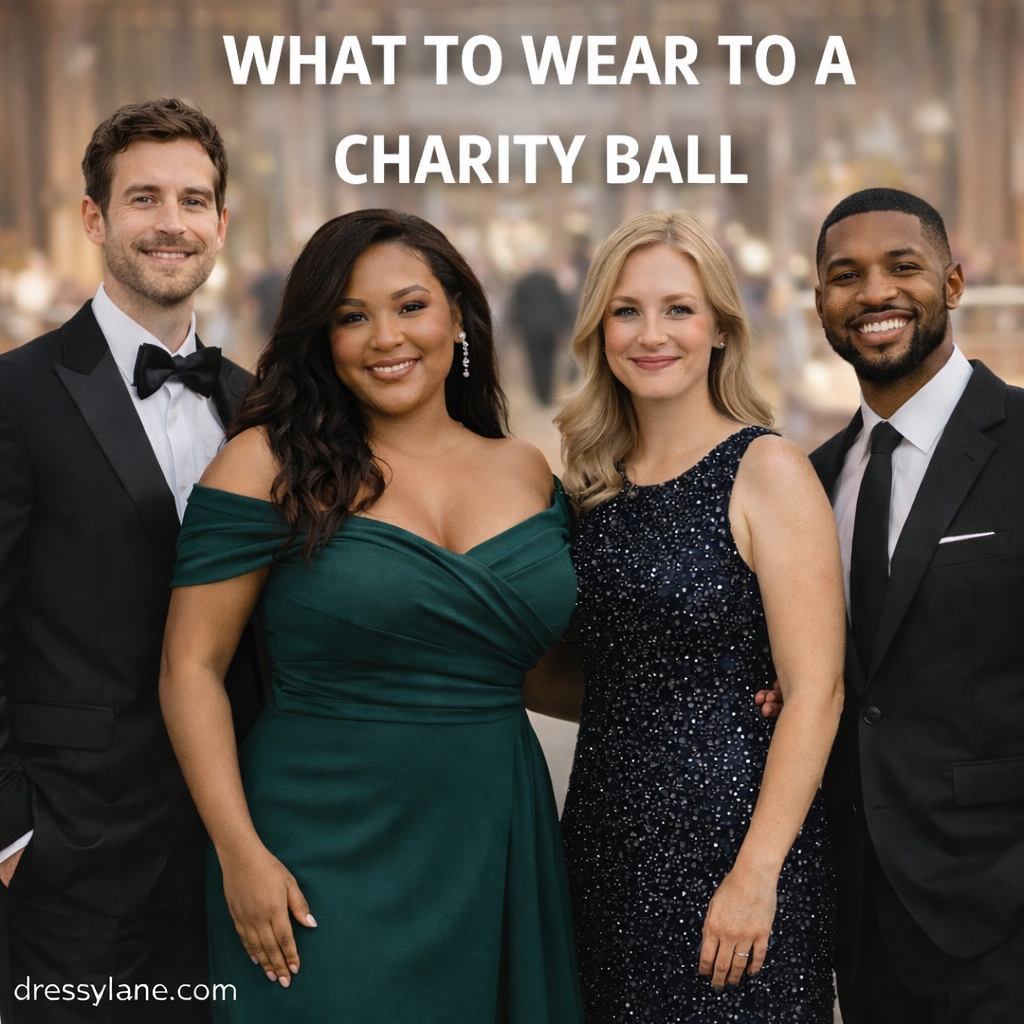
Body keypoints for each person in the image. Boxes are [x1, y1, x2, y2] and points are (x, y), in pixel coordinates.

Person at [158, 209, 583, 1023]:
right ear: (323, 338)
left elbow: (531, 670)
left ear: (458, 313)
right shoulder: (266, 463)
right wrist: (239, 852)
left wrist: (706, 694)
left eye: (411, 306)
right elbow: (191, 668)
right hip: (313, 850)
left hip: (492, 839)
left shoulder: (527, 471)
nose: (387, 337)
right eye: (353, 317)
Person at [530, 209, 845, 1022]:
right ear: (600, 329)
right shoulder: (589, 488)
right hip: (606, 840)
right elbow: (594, 677)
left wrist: (756, 874)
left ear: (718, 328)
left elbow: (817, 692)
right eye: (627, 311)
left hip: (736, 845)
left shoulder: (765, 468)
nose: (650, 333)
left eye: (678, 308)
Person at [0, 99, 262, 1024]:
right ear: (94, 219)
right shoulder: (18, 394)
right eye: (144, 198)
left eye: (193, 201)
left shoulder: (257, 403)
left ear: (221, 225)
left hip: (236, 847)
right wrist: (12, 828)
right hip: (72, 853)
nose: (171, 224)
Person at [811, 187, 1024, 1024]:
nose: (873, 294)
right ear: (821, 302)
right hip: (861, 922)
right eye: (844, 275)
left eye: (903, 267)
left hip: (1001, 915)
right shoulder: (815, 475)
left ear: (955, 282)